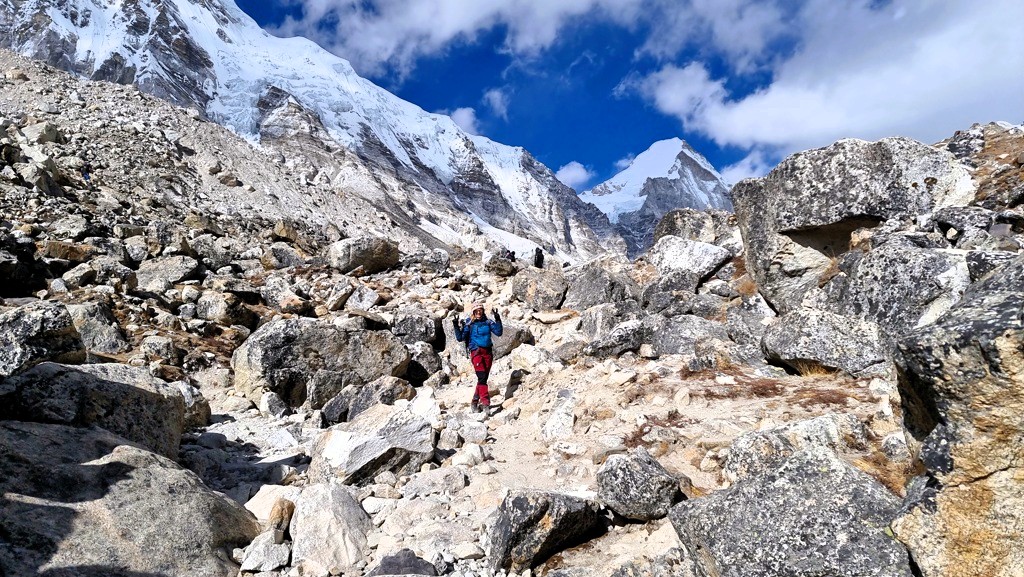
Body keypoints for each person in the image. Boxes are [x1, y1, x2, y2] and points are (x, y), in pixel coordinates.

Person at [453, 303, 503, 413]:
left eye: (480, 310)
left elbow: (499, 332)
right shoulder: (469, 324)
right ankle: (485, 403)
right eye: (476, 311)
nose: (479, 312)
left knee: (483, 379)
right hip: (476, 352)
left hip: (488, 353)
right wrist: (456, 325)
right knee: (481, 377)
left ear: (483, 311)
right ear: (473, 312)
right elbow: (460, 338)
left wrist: (498, 319)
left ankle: (474, 402)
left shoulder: (488, 322)